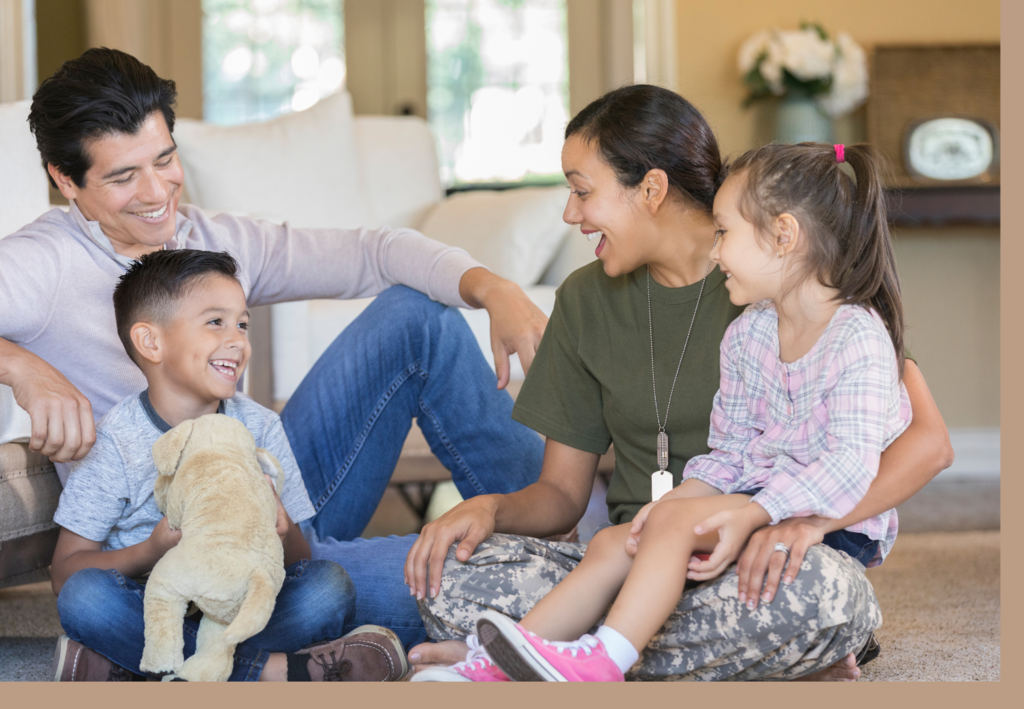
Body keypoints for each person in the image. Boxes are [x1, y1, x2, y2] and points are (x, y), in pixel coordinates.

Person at [0, 48, 545, 656]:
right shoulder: (41, 265)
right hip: (159, 544)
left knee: (419, 318)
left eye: (165, 159)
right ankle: (251, 655)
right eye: (123, 176)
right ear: (65, 179)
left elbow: (375, 253)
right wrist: (22, 367)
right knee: (504, 582)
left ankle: (553, 525)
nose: (157, 193)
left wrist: (494, 289)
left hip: (277, 514)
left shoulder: (216, 242)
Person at [405, 85, 954, 681]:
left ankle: (561, 654)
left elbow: (926, 442)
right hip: (647, 555)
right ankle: (695, 656)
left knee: (819, 592)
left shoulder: (797, 294)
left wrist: (805, 521)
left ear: (651, 189)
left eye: (582, 191)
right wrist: (489, 509)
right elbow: (565, 497)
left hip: (769, 548)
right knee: (454, 580)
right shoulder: (592, 301)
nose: (570, 213)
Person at [49, 249, 408, 681]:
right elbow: (64, 572)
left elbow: (299, 559)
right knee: (85, 599)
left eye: (242, 323)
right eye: (215, 322)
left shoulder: (260, 426)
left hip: (245, 607)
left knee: (328, 588)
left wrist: (282, 526)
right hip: (156, 607)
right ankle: (268, 674)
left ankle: (134, 669)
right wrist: (152, 550)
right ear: (151, 342)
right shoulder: (118, 440)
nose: (237, 340)